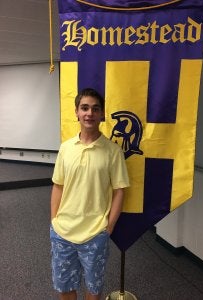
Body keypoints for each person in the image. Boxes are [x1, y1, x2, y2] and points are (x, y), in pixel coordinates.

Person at [50, 88, 130, 300]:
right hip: (63, 233)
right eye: (84, 108)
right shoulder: (66, 148)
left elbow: (119, 191)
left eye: (95, 109)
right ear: (76, 112)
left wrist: (108, 227)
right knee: (65, 287)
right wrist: (54, 221)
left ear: (102, 114)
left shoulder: (113, 151)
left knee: (93, 290)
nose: (89, 113)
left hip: (95, 234)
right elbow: (58, 186)